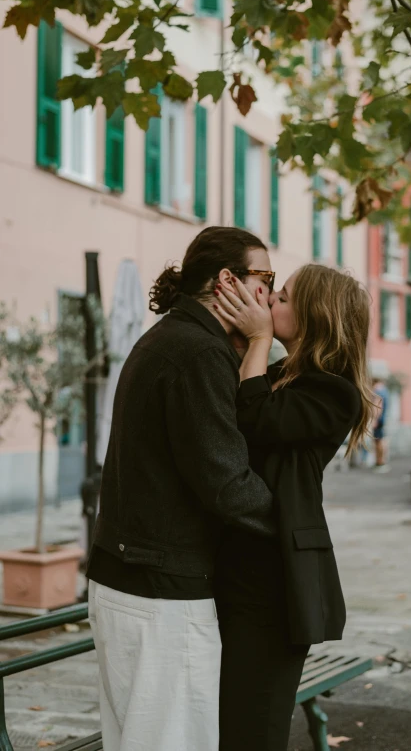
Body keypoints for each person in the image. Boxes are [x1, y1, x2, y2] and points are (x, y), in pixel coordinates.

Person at [86, 226, 278, 751]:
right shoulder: (198, 352)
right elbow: (229, 485)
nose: (270, 294)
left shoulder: (173, 338)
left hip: (130, 580)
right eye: (266, 278)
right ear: (227, 282)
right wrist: (296, 520)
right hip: (160, 593)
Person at [213, 264, 374, 751]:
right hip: (238, 569)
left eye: (281, 297)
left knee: (254, 729)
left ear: (313, 317)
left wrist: (258, 341)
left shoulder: (334, 392)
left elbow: (254, 420)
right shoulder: (281, 373)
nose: (268, 302)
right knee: (224, 721)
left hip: (276, 585)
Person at [372, 377, 390, 473]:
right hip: (382, 419)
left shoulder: (378, 391)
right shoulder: (385, 391)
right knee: (381, 440)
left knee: (378, 441)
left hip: (378, 420)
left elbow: (378, 406)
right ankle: (381, 461)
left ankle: (380, 462)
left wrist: (375, 419)